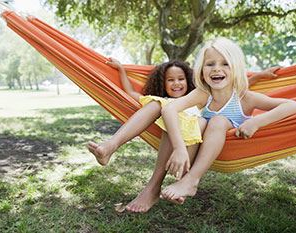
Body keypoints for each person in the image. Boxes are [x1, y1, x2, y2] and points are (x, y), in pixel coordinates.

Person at [87, 56, 281, 212]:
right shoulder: (161, 100)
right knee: (159, 105)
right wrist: (121, 70)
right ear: (162, 84)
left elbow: (231, 89)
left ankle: (180, 184)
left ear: (188, 81)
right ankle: (111, 145)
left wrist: (259, 76)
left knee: (197, 120)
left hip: (195, 144)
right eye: (170, 80)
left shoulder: (199, 98)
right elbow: (130, 92)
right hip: (172, 134)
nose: (176, 83)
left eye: (180, 79)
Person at [158, 37, 296, 205]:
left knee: (218, 120)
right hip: (204, 147)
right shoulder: (203, 94)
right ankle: (183, 181)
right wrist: (179, 148)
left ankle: (191, 180)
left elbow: (293, 106)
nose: (216, 69)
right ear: (201, 70)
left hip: (235, 144)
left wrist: (256, 122)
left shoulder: (245, 98)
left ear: (236, 69)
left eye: (225, 64)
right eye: (210, 64)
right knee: (196, 123)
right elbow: (169, 109)